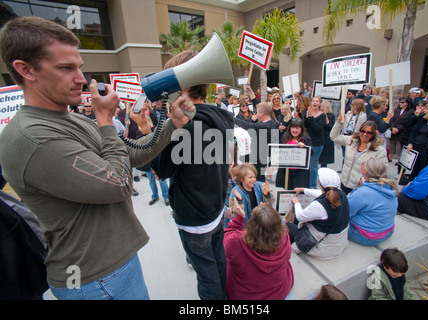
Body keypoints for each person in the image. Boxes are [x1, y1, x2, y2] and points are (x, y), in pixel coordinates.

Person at [0, 16, 195, 300]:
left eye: (79, 67)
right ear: (25, 70)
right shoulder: (33, 137)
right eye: (66, 68)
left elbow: (131, 155)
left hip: (109, 270)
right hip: (94, 279)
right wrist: (104, 120)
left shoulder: (66, 118)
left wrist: (170, 125)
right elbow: (118, 183)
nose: (81, 79)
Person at [151, 51, 234, 300]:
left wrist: (161, 128)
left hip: (195, 219)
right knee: (218, 262)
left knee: (206, 274)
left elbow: (160, 169)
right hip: (216, 209)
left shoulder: (186, 127)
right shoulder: (222, 116)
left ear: (183, 87)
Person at [224, 198, 293, 300]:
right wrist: (264, 212)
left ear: (252, 225)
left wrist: (239, 219)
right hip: (278, 292)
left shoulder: (236, 241)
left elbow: (225, 239)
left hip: (243, 296)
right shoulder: (284, 236)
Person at [287, 168, 350, 260]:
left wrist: (296, 202)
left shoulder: (320, 206)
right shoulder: (341, 194)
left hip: (323, 248)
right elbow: (321, 193)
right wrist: (304, 190)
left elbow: (300, 216)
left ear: (320, 184)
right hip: (339, 242)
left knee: (288, 226)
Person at [347, 157, 399, 246]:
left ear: (365, 171)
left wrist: (348, 197)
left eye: (363, 164)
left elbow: (346, 212)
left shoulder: (361, 193)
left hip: (366, 236)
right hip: (388, 231)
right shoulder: (389, 188)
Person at [331, 119, 388, 194]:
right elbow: (334, 137)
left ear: (373, 134)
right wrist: (339, 122)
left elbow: (383, 171)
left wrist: (365, 181)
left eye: (369, 132)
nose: (365, 134)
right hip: (344, 183)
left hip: (360, 188)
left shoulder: (379, 150)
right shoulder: (351, 141)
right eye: (362, 131)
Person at [234, 102, 279, 182]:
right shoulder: (272, 122)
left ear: (262, 113)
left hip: (261, 159)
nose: (256, 114)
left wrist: (233, 118)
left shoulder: (266, 126)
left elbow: (248, 126)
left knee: (258, 180)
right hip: (260, 157)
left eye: (257, 112)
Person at [275, 118, 312, 189]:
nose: (295, 130)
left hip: (299, 173)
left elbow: (310, 153)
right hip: (287, 171)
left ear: (301, 129)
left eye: (297, 128)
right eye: (293, 127)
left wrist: (304, 147)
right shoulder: (285, 137)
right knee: (287, 191)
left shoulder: (306, 139)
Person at [304, 96, 327, 188]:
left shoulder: (323, 115)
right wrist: (307, 117)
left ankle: (312, 185)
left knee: (313, 165)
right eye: (313, 101)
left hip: (317, 143)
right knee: (306, 164)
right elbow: (304, 125)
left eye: (317, 101)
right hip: (307, 142)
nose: (315, 103)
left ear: (319, 104)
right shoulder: (308, 113)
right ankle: (305, 183)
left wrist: (311, 118)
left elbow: (317, 128)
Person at [388, 97, 414, 163]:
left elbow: (407, 122)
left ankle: (400, 160)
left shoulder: (410, 111)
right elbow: (391, 119)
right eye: (400, 102)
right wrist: (392, 127)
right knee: (391, 145)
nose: (400, 103)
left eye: (402, 102)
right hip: (393, 130)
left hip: (402, 131)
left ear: (407, 103)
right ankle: (389, 158)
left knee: (399, 147)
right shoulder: (396, 110)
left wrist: (398, 129)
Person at [319, 100, 335, 167]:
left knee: (324, 160)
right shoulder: (318, 115)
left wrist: (326, 119)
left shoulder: (331, 116)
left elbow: (330, 126)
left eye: (323, 106)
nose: (321, 107)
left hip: (326, 138)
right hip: (319, 137)